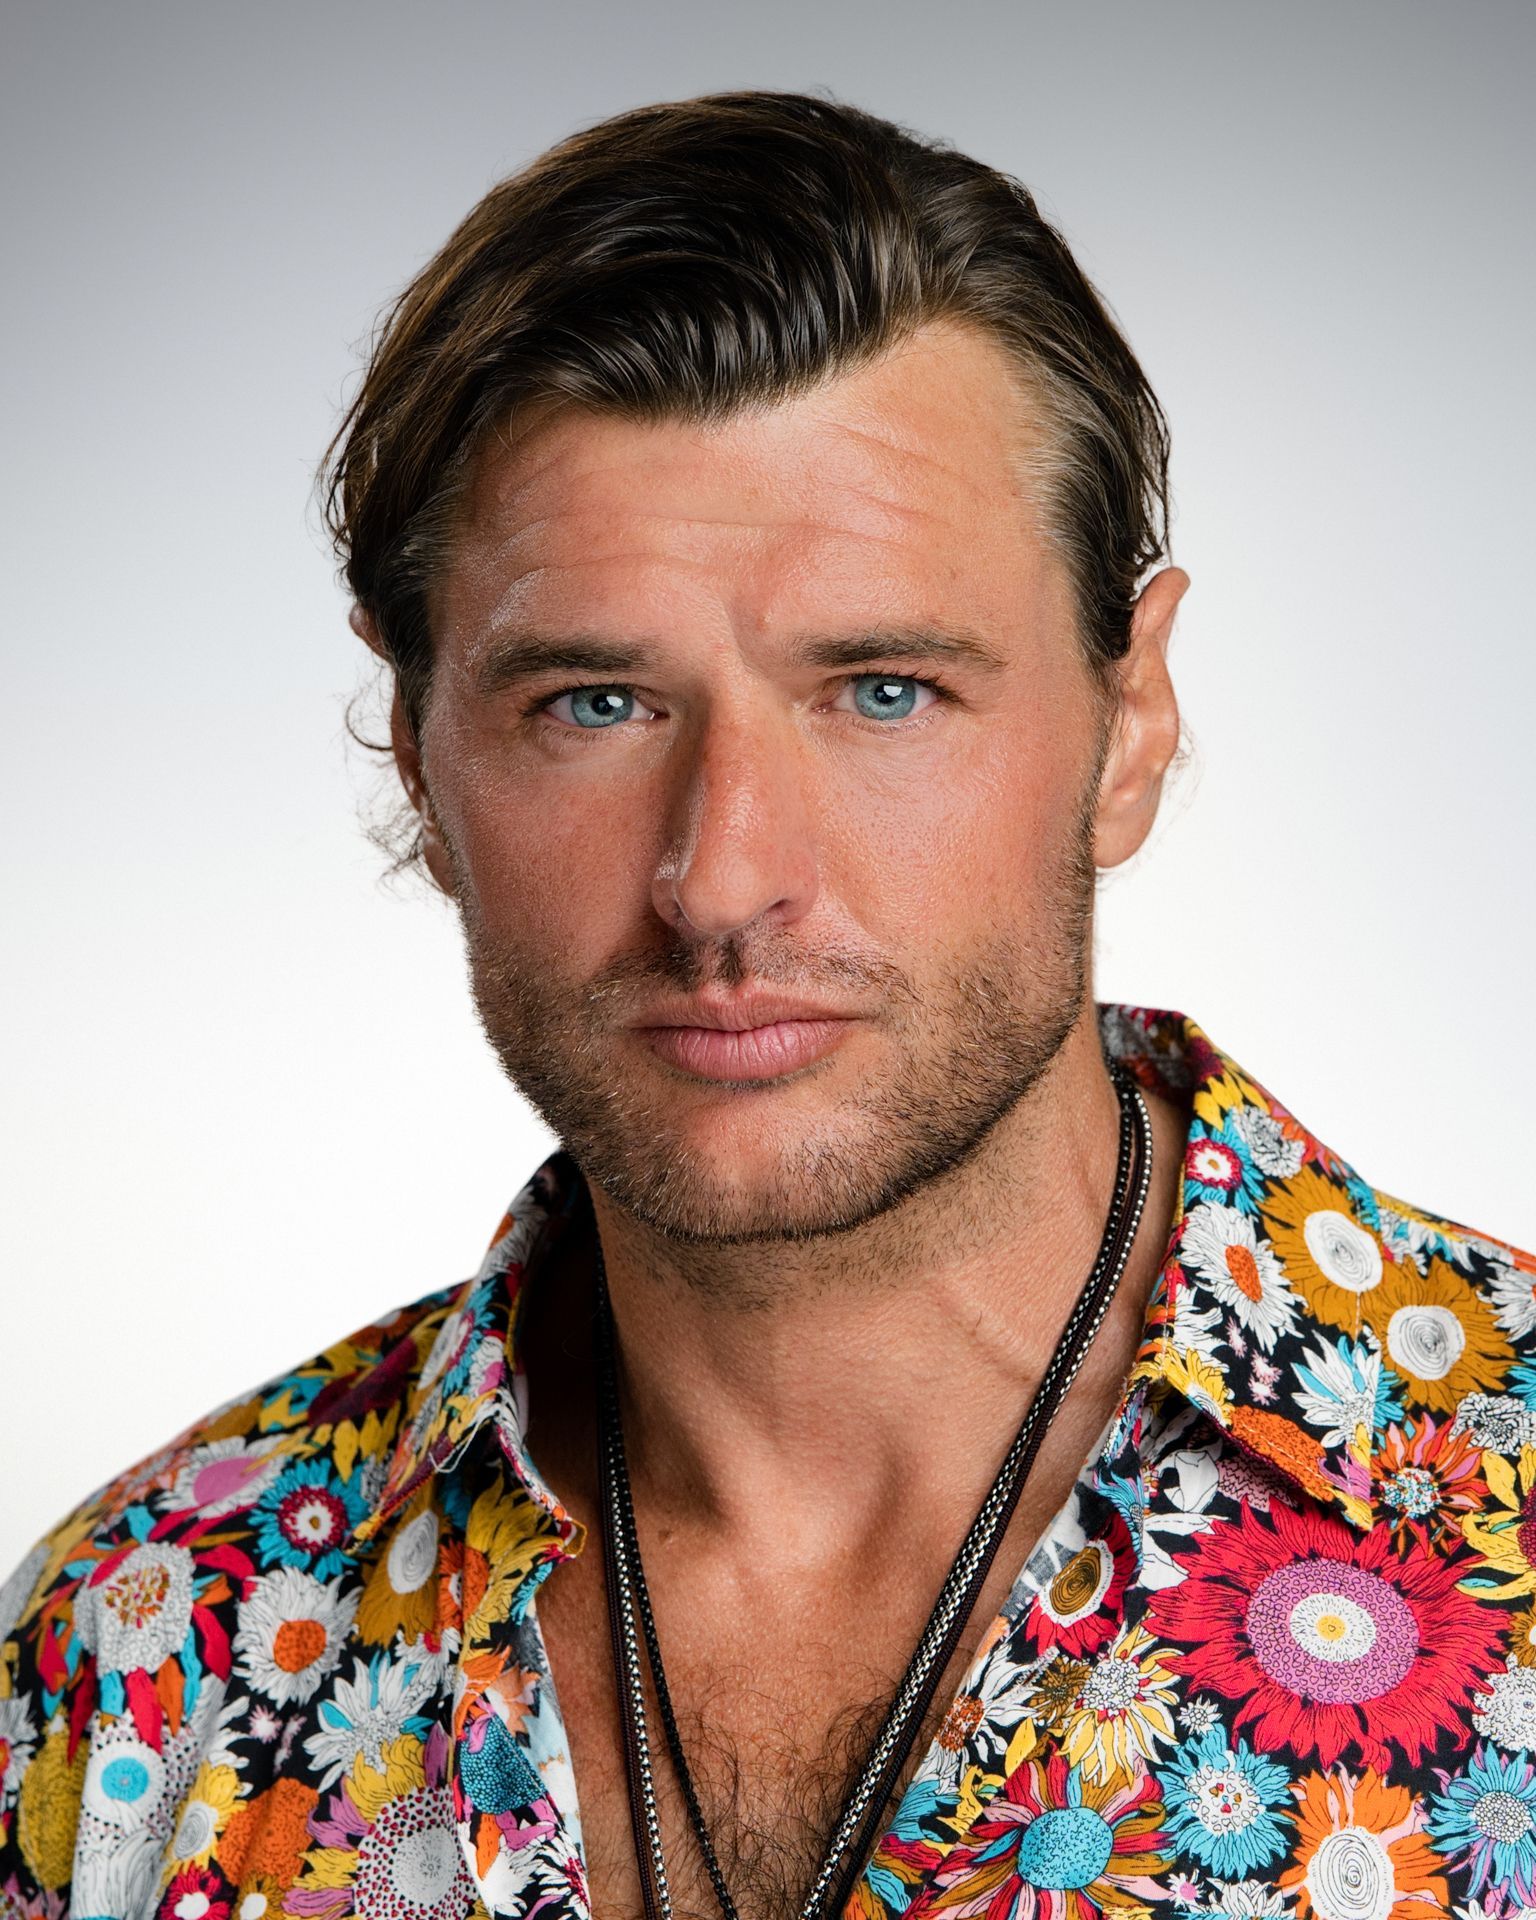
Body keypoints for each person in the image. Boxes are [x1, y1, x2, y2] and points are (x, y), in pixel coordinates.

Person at [2, 87, 1532, 1920]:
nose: (722, 880)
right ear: (417, 752)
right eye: (593, 704)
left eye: (882, 690)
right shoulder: (141, 1645)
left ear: (1129, 727)